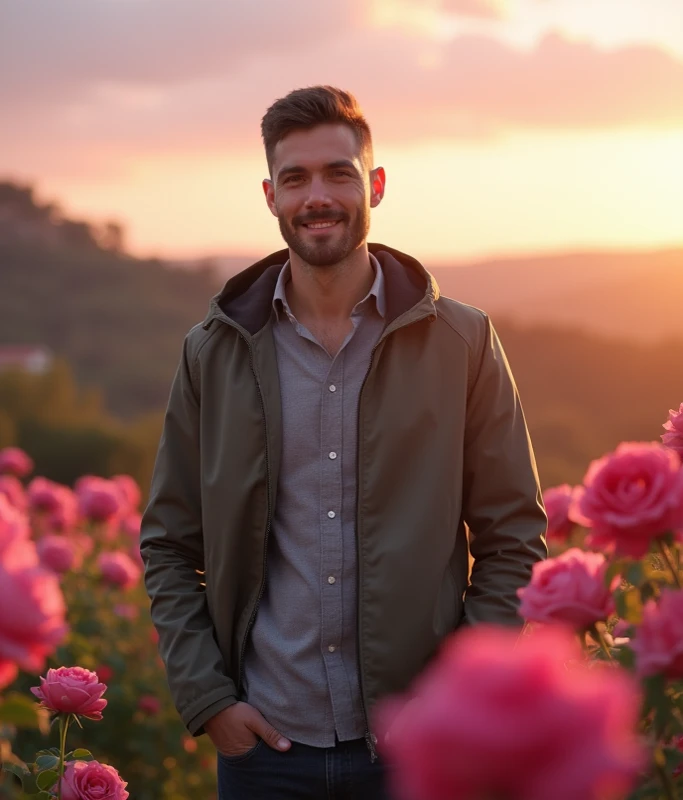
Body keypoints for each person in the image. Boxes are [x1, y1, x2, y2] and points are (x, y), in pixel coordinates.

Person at [140, 85, 547, 800]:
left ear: (376, 185)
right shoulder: (211, 353)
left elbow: (513, 536)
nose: (316, 197)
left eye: (338, 173)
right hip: (261, 747)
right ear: (269, 195)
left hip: (420, 746)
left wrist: (457, 694)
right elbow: (170, 543)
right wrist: (208, 700)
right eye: (295, 178)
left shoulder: (462, 340)